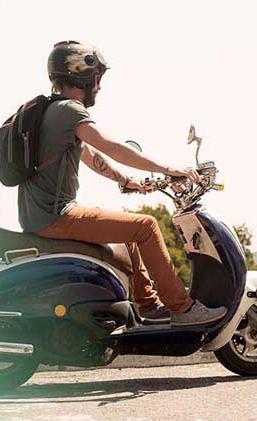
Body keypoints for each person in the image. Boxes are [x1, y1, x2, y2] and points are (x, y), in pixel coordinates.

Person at [18, 40, 226, 326]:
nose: (99, 85)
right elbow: (109, 146)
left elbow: (90, 157)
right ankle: (183, 308)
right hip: (57, 216)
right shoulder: (69, 110)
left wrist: (126, 181)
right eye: (96, 77)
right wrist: (169, 168)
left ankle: (150, 306)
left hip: (42, 215)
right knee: (146, 226)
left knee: (129, 229)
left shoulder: (51, 111)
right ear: (79, 73)